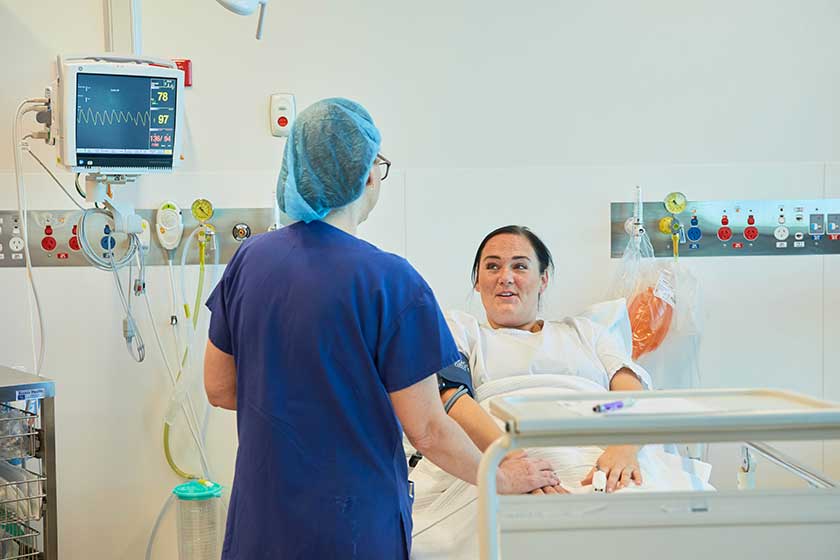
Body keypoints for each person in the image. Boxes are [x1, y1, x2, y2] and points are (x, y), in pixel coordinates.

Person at [203, 100, 559, 559]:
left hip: (263, 521)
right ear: (368, 175)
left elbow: (219, 388)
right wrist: (500, 476)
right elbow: (429, 429)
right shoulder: (391, 282)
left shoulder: (249, 261)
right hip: (352, 526)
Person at [437, 225, 654, 494]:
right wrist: (512, 463)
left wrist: (624, 448)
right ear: (477, 282)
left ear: (543, 279)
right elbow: (450, 397)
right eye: (492, 267)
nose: (505, 277)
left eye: (520, 267)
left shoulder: (587, 332)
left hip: (601, 455)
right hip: (499, 452)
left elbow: (631, 392)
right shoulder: (462, 331)